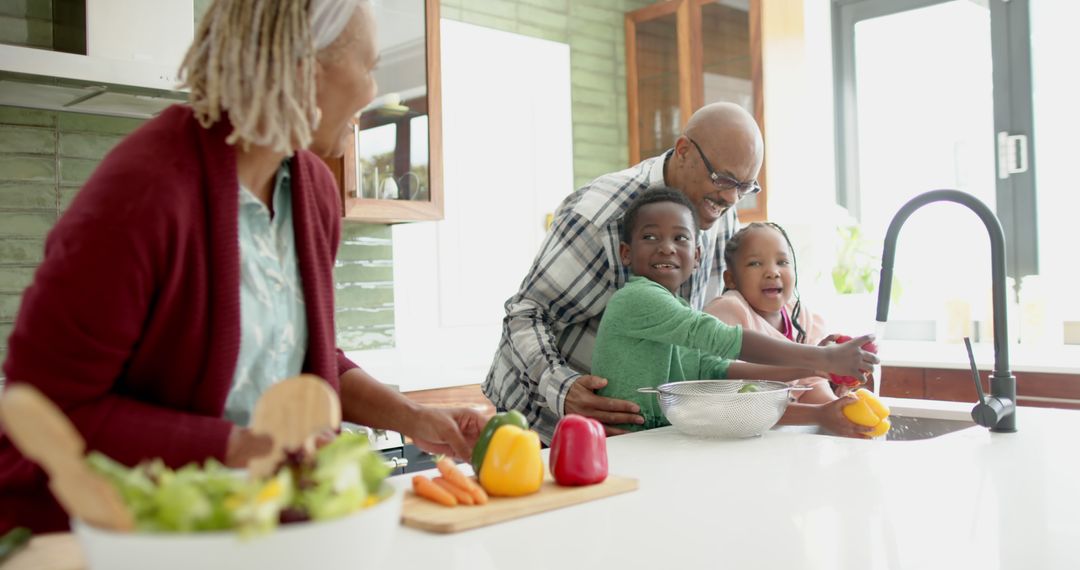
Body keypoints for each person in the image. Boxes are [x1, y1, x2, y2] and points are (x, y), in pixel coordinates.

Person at [0, 0, 484, 534]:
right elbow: (44, 409)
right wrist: (240, 448)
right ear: (302, 65)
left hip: (244, 531)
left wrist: (411, 417)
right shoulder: (146, 190)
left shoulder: (313, 191)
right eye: (368, 68)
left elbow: (302, 359)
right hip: (107, 538)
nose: (375, 92)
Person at [484, 102, 764, 443]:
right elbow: (525, 314)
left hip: (635, 435)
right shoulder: (601, 216)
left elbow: (696, 334)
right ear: (683, 152)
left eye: (746, 187)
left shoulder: (718, 212)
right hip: (537, 418)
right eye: (724, 179)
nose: (732, 198)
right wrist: (564, 387)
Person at [591, 189, 877, 433]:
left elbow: (716, 371)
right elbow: (727, 340)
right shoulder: (638, 298)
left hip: (654, 445)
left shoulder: (677, 310)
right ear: (626, 253)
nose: (667, 248)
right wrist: (824, 357)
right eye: (651, 237)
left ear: (697, 256)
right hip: (626, 447)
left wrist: (815, 368)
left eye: (680, 238)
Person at [705, 222, 849, 403]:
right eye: (755, 263)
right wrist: (819, 415)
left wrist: (837, 408)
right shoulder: (728, 311)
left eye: (782, 262)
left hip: (789, 426)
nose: (772, 272)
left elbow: (811, 387)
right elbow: (731, 390)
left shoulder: (800, 315)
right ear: (731, 279)